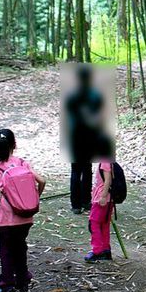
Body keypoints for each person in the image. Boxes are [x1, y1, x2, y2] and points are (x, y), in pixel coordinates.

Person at [0, 128, 45, 292]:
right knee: (20, 248)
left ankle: (6, 286)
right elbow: (42, 180)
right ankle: (23, 283)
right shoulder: (21, 163)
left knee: (6, 250)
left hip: (6, 219)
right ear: (15, 145)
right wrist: (32, 200)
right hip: (25, 218)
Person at [63, 65, 104, 214]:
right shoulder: (95, 95)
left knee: (75, 170)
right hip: (89, 136)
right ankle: (86, 201)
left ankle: (75, 205)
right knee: (87, 170)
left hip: (75, 136)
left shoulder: (72, 96)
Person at [86, 144, 115, 262]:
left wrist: (103, 196)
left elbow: (108, 179)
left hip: (103, 198)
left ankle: (97, 250)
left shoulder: (105, 161)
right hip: (108, 198)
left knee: (94, 223)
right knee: (104, 223)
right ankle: (105, 249)